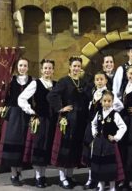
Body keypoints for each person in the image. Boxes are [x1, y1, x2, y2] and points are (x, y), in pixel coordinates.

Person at [47, 56, 89, 189]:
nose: (76, 68)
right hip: (68, 119)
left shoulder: (83, 82)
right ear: (70, 67)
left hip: (81, 119)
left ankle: (70, 176)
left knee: (74, 148)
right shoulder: (64, 81)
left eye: (78, 66)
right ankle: (62, 178)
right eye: (74, 66)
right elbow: (51, 95)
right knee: (64, 148)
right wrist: (61, 108)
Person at [18, 59, 57, 188]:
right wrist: (31, 111)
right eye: (45, 68)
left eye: (50, 68)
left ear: (53, 70)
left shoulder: (56, 84)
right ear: (41, 70)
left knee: (47, 147)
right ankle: (38, 176)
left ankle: (43, 174)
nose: (47, 70)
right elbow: (21, 98)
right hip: (40, 119)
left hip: (52, 121)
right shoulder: (36, 83)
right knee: (39, 146)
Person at [0, 58, 33, 187]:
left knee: (23, 143)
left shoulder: (33, 81)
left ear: (28, 67)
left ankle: (19, 171)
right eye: (21, 65)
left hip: (26, 114)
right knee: (12, 143)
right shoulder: (11, 81)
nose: (23, 67)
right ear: (17, 67)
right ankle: (13, 174)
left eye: (25, 65)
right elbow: (3, 96)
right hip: (13, 115)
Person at [82, 71, 123, 190]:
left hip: (104, 129)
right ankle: (92, 179)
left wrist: (110, 112)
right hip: (93, 127)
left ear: (106, 81)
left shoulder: (109, 94)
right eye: (97, 79)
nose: (99, 81)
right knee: (92, 154)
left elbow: (120, 106)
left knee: (104, 155)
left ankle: (105, 180)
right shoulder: (94, 93)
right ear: (94, 81)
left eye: (101, 79)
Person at [91, 91, 127, 191]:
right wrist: (94, 133)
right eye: (104, 101)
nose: (107, 103)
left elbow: (123, 127)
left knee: (110, 166)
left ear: (112, 102)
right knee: (100, 165)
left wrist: (116, 137)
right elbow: (93, 124)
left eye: (109, 101)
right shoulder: (98, 113)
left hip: (109, 144)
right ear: (101, 101)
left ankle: (112, 187)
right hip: (99, 144)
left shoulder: (115, 114)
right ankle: (101, 185)